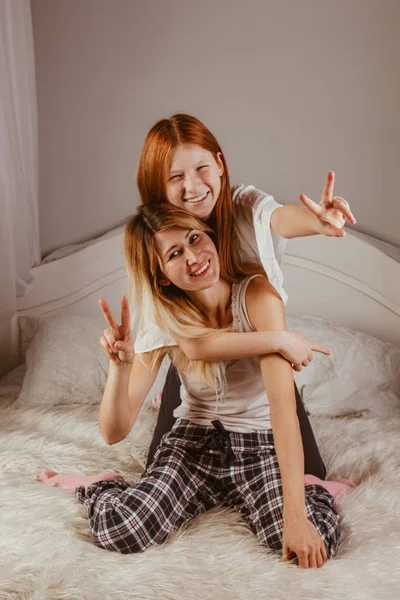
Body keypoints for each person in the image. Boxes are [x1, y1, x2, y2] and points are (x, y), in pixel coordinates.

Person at [38, 203, 356, 567]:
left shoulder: (257, 296)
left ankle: (314, 493)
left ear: (211, 237)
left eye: (194, 238)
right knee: (119, 529)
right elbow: (113, 432)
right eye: (175, 253)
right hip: (192, 445)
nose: (194, 257)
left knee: (310, 544)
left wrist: (297, 518)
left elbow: (284, 408)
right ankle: (101, 484)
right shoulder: (165, 319)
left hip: (258, 446)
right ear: (161, 277)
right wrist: (119, 368)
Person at [135, 113, 357, 474]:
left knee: (311, 477)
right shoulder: (156, 246)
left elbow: (281, 218)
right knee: (154, 471)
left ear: (220, 163)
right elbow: (188, 347)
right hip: (194, 372)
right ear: (159, 187)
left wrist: (317, 222)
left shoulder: (244, 207)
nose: (193, 187)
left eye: (201, 168)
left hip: (262, 356)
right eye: (176, 177)